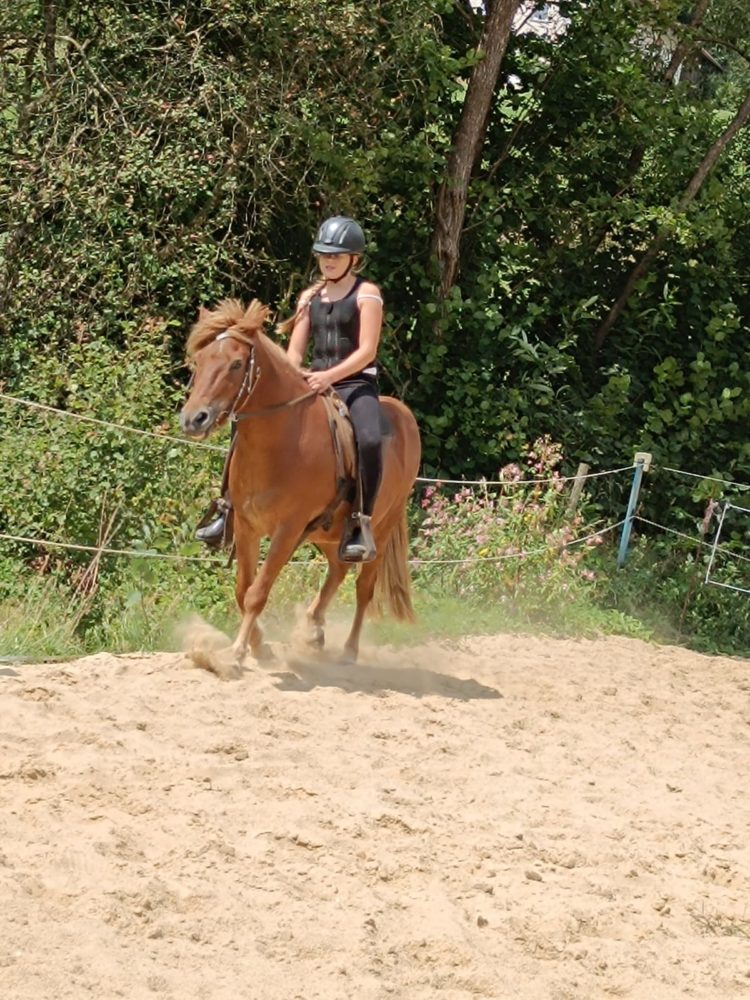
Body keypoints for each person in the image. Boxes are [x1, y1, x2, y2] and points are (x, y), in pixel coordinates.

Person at [196, 215, 384, 563]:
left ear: (353, 259)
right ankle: (226, 510)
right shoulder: (309, 297)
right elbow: (295, 352)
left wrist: (330, 376)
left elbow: (367, 350)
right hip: (312, 382)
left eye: (336, 255)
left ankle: (360, 521)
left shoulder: (367, 294)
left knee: (371, 439)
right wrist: (294, 375)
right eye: (323, 255)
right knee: (244, 424)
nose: (328, 261)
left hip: (355, 383)